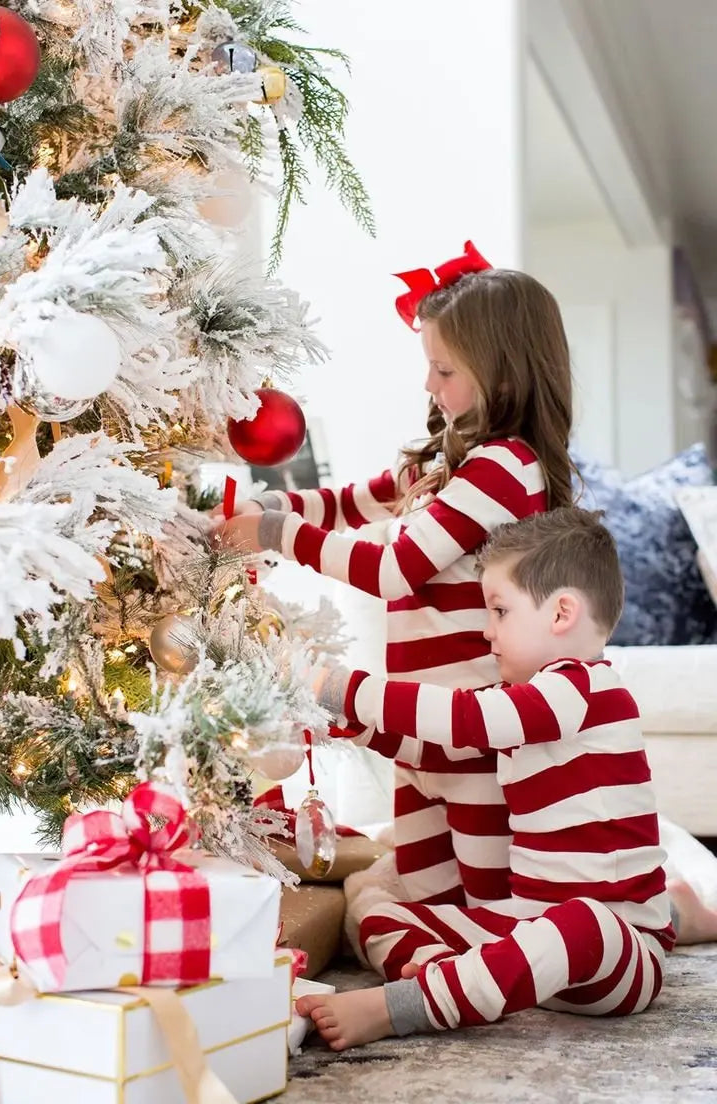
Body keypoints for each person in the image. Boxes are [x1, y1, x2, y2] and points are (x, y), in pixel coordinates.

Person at [213, 239, 576, 909]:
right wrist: (271, 507)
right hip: (420, 735)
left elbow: (394, 569)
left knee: (492, 908)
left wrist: (276, 535)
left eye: (444, 370)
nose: (429, 386)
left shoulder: (506, 468)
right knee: (425, 898)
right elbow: (354, 501)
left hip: (470, 736)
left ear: (502, 378)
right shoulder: (447, 462)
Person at [296, 507, 676, 1050]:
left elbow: (462, 718)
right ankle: (452, 981)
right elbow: (435, 747)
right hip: (530, 929)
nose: (486, 630)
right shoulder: (524, 704)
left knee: (580, 924)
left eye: (499, 611)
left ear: (562, 613)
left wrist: (340, 688)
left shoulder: (586, 691)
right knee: (377, 914)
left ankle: (403, 1006)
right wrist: (349, 726)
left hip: (618, 950)